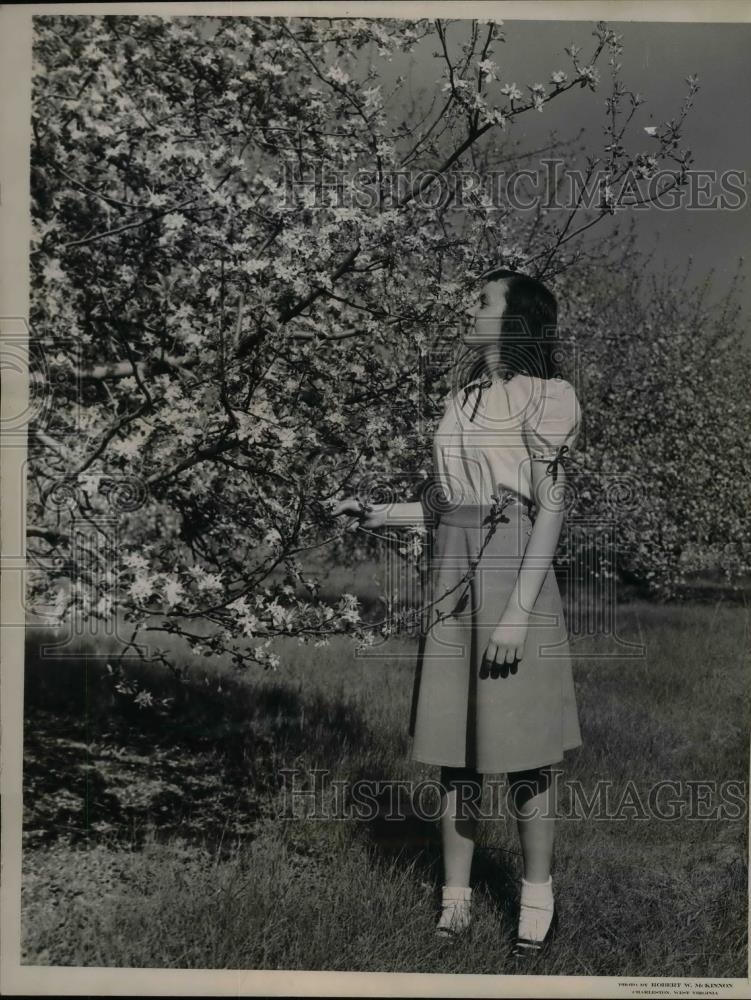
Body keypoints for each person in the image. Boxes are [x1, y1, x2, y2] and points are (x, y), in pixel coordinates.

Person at [332, 268, 582, 956]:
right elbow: (448, 508)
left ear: (516, 318)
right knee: (456, 757)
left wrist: (515, 618)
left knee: (527, 759)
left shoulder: (548, 397)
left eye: (482, 300)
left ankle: (535, 896)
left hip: (512, 572)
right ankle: (455, 900)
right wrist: (372, 512)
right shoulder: (461, 399)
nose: (468, 308)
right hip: (452, 566)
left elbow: (550, 508)